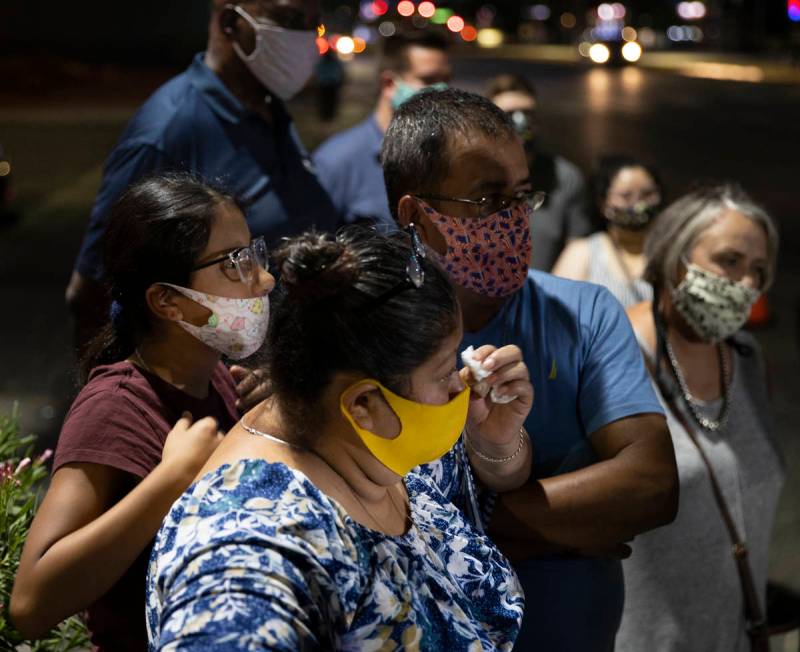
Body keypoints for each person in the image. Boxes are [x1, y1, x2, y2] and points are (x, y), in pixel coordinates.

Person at [381, 88, 679, 651]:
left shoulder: (583, 313)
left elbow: (653, 484)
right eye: (488, 200)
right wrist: (567, 531)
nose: (515, 219)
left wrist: (452, 534)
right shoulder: (367, 329)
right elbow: (360, 528)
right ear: (415, 214)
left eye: (522, 196)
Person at [146, 228, 533, 650]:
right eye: (443, 374)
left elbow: (499, 476)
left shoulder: (378, 439)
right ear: (363, 403)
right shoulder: (248, 542)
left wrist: (495, 439)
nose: (462, 384)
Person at [10, 174, 275, 651]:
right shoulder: (115, 407)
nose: (264, 278)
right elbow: (31, 605)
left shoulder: (214, 376)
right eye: (234, 264)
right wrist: (170, 480)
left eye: (253, 254)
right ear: (167, 300)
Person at [66, 0, 336, 353]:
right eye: (289, 19)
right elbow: (94, 294)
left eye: (313, 23)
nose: (305, 36)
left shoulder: (269, 111)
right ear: (230, 23)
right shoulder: (168, 132)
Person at [618, 184, 784, 652]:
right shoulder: (616, 353)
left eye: (758, 271)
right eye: (729, 261)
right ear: (675, 256)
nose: (747, 284)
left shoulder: (747, 360)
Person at [313, 30, 451, 229]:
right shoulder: (336, 161)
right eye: (429, 80)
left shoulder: (446, 155)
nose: (442, 90)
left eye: (446, 79)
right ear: (389, 84)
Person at [486, 73, 592, 272]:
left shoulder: (565, 177)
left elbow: (578, 248)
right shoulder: (470, 176)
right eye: (508, 114)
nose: (520, 121)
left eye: (527, 113)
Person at [553, 155, 663, 308]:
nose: (639, 205)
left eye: (647, 194)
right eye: (626, 196)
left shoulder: (671, 251)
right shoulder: (583, 253)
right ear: (603, 202)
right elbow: (556, 312)